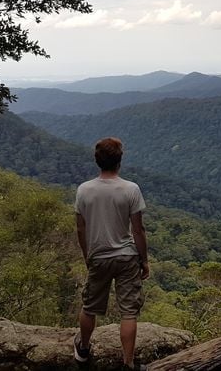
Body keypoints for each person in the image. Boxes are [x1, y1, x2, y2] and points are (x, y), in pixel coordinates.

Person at [74, 137, 150, 371]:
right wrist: (144, 260)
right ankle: (128, 363)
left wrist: (88, 255)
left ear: (98, 161)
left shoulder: (84, 190)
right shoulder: (130, 189)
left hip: (98, 255)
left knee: (90, 306)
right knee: (128, 312)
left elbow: (81, 227)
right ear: (120, 160)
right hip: (127, 257)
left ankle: (84, 349)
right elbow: (138, 229)